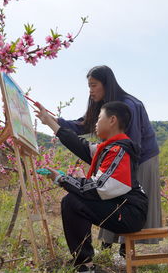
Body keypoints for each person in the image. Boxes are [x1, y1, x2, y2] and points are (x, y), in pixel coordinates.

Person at [35, 101, 148, 273]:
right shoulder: (108, 148)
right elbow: (79, 144)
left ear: (112, 120)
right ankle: (84, 265)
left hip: (130, 213)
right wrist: (49, 121)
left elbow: (100, 188)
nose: (95, 123)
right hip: (122, 208)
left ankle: (85, 269)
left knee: (72, 202)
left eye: (99, 118)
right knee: (75, 199)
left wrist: (62, 179)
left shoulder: (118, 150)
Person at [56, 65, 161, 259]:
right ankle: (108, 248)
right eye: (89, 86)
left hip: (141, 158)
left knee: (124, 199)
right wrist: (56, 123)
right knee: (110, 193)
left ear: (106, 83)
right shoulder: (104, 107)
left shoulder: (129, 105)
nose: (91, 90)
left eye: (94, 85)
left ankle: (124, 253)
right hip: (119, 154)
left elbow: (133, 145)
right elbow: (84, 124)